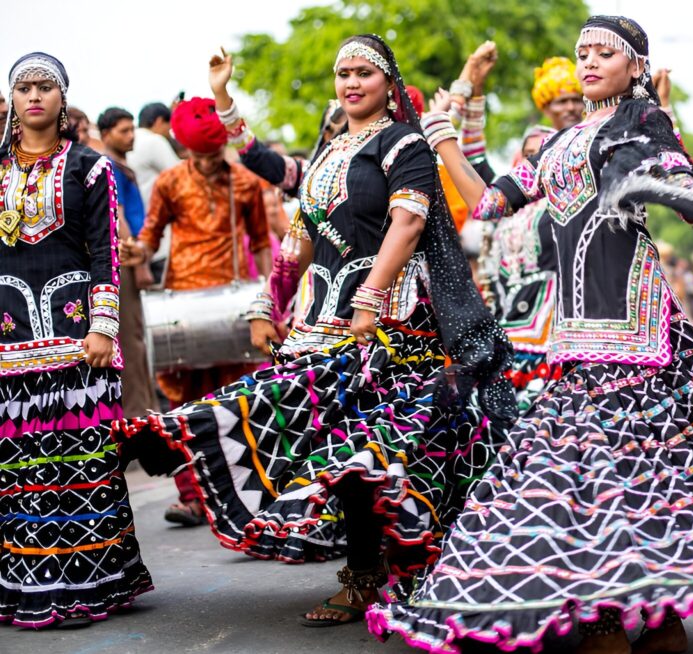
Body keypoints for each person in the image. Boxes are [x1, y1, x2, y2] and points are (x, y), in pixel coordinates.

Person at [372, 16, 693, 654]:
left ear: (636, 64)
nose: (588, 62)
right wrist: (444, 139)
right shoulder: (556, 145)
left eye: (603, 53)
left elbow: (678, 189)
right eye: (581, 51)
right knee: (595, 483)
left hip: (637, 337)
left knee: (641, 477)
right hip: (575, 338)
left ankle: (635, 617)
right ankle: (635, 616)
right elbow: (487, 204)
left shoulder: (640, 124)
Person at [113, 34, 514, 627]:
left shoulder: (403, 142)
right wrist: (264, 303)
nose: (351, 82)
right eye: (342, 73)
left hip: (392, 326)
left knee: (368, 455)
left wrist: (371, 298)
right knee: (326, 448)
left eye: (364, 73)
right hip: (321, 323)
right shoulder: (330, 153)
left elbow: (407, 224)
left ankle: (386, 572)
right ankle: (363, 572)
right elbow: (298, 240)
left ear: (388, 83)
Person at [0, 52, 152, 629]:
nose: (34, 95)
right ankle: (27, 588)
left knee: (78, 467)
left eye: (45, 87)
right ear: (12, 100)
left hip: (76, 342)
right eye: (23, 87)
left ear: (63, 98)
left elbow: (104, 252)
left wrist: (102, 326)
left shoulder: (90, 168)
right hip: (10, 341)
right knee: (19, 472)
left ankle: (89, 585)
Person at [126, 97, 272, 527]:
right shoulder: (169, 182)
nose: (207, 164)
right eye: (198, 155)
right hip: (182, 310)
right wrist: (138, 251)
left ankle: (246, 500)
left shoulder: (245, 182)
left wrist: (270, 298)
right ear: (185, 150)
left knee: (239, 406)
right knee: (182, 406)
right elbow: (150, 236)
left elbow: (262, 243)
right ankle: (192, 498)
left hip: (234, 307)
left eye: (213, 155)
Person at [443, 43, 580, 409]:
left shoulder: (573, 189)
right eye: (532, 155)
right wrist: (475, 93)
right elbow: (474, 162)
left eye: (575, 99)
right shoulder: (507, 202)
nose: (567, 107)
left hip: (557, 325)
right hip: (509, 320)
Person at [97, 106, 158, 419]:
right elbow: (118, 214)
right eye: (123, 130)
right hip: (127, 259)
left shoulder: (122, 164)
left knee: (137, 338)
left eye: (132, 129)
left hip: (134, 256)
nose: (131, 135)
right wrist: (140, 263)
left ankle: (144, 412)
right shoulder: (108, 165)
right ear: (106, 134)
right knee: (130, 340)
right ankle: (137, 417)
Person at [127, 102, 180, 211]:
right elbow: (179, 175)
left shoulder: (130, 140)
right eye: (168, 127)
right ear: (159, 121)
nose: (168, 133)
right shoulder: (154, 140)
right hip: (155, 214)